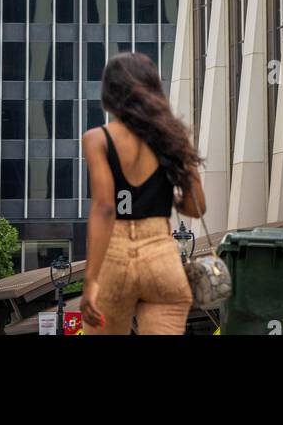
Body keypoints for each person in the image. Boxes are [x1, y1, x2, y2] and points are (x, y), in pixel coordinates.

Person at [81, 51, 206, 336]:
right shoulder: (171, 137)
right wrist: (162, 196)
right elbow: (195, 207)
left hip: (114, 256)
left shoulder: (97, 139)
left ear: (110, 93)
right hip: (161, 257)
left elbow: (104, 208)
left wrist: (91, 281)